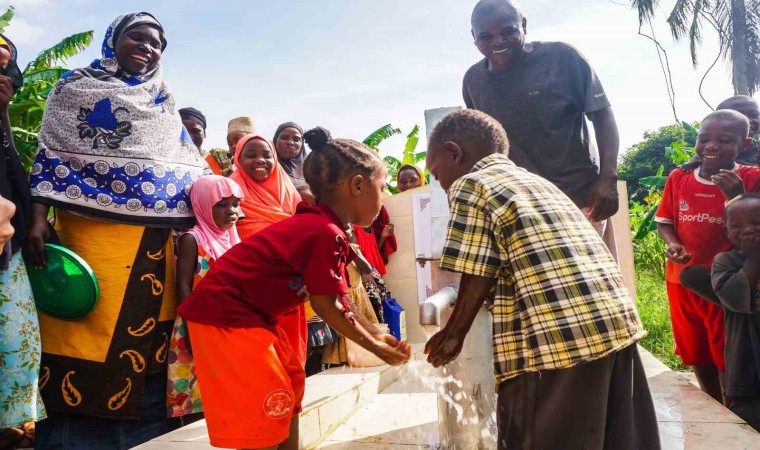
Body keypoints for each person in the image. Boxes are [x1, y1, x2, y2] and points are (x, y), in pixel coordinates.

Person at [424, 109, 659, 450]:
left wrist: (453, 334)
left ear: (454, 153)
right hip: (615, 329)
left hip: (556, 342)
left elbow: (477, 270)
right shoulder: (536, 182)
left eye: (435, 173)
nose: (440, 183)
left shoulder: (471, 183)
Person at [26, 13, 208, 448]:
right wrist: (37, 219)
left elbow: (189, 174)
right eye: (136, 37)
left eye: (156, 42)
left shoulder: (164, 102)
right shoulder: (74, 88)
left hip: (156, 252)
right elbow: (49, 155)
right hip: (88, 245)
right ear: (114, 40)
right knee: (81, 335)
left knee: (148, 356)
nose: (147, 47)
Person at [177, 127, 411, 449]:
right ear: (357, 186)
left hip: (255, 317)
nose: (383, 197)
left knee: (290, 383)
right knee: (264, 400)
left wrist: (375, 331)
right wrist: (375, 346)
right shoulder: (322, 232)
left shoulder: (327, 229)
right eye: (381, 188)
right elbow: (328, 306)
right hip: (226, 315)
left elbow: (339, 297)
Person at [464, 0, 621, 252]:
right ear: (474, 38)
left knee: (593, 284)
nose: (498, 42)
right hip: (521, 209)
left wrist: (608, 178)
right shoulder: (474, 81)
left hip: (578, 198)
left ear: (523, 25)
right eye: (486, 36)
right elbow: (485, 146)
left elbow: (602, 116)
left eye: (508, 31)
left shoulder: (562, 59)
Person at [655, 110, 760, 403]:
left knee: (728, 349)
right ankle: (711, 402)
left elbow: (752, 226)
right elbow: (665, 220)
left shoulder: (752, 178)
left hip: (726, 284)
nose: (711, 146)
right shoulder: (679, 177)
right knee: (695, 349)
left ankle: (734, 409)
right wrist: (673, 243)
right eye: (704, 139)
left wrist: (736, 195)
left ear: (745, 145)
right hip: (680, 280)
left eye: (724, 140)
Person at [0, 33, 46, 450]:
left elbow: (14, 173)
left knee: (18, 340)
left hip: (6, 246)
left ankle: (10, 423)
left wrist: (3, 114)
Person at [168, 175, 243, 420]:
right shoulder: (193, 239)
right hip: (199, 322)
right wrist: (191, 327)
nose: (231, 211)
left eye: (235, 204)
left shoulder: (233, 239)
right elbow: (184, 285)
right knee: (198, 386)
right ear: (202, 205)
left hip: (229, 324)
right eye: (222, 204)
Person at [708, 193, 760, 431]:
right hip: (746, 359)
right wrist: (753, 259)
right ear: (727, 232)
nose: (748, 230)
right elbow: (731, 297)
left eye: (756, 222)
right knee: (748, 421)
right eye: (737, 226)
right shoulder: (725, 261)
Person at [322, 226, 382, 366]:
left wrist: (352, 250)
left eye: (350, 229)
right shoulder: (331, 248)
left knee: (363, 327)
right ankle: (342, 362)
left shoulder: (353, 248)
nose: (349, 232)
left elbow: (367, 268)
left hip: (358, 295)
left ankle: (364, 357)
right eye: (345, 229)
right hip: (343, 297)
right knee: (344, 332)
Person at [179, 106, 230, 177]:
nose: (189, 137)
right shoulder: (168, 161)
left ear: (204, 134)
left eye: (195, 131)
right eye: (183, 132)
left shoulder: (220, 160)